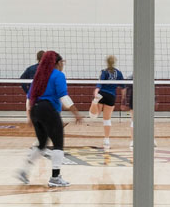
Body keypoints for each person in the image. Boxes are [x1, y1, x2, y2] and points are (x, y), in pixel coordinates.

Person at [17, 48, 80, 188]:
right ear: (57, 63)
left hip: (35, 110)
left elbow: (29, 98)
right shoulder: (58, 75)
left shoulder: (39, 76)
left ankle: (23, 171)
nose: (63, 65)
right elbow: (64, 96)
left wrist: (29, 116)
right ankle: (55, 177)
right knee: (58, 143)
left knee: (41, 144)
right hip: (48, 110)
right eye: (62, 62)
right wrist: (76, 113)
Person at [93, 54, 126, 151]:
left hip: (102, 94)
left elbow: (100, 83)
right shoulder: (119, 73)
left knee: (95, 114)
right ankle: (106, 139)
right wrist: (123, 99)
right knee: (107, 119)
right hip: (111, 96)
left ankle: (94, 102)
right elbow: (123, 87)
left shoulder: (104, 72)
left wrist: (96, 90)